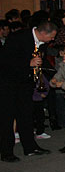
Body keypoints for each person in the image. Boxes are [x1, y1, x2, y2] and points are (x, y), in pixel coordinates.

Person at [0, 20, 57, 162]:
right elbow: (6, 60)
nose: (53, 39)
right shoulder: (18, 37)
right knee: (7, 118)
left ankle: (30, 147)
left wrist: (54, 75)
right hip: (9, 84)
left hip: (26, 84)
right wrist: (28, 63)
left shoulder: (42, 44)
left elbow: (41, 62)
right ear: (43, 33)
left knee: (26, 116)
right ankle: (6, 151)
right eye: (51, 36)